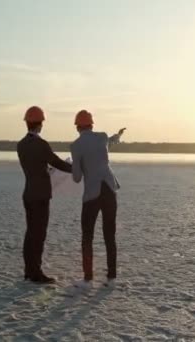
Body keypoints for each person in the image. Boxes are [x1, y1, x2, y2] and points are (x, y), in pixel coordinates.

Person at [70, 109, 126, 289]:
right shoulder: (101, 137)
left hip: (92, 194)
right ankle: (112, 276)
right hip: (109, 189)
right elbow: (109, 142)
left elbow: (77, 177)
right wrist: (118, 135)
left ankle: (88, 278)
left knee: (87, 236)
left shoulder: (76, 145)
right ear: (91, 125)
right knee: (110, 234)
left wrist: (73, 166)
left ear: (77, 126)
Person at [17, 106, 72, 284]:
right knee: (39, 234)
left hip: (28, 193)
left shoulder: (21, 145)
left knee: (30, 233)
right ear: (40, 124)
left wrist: (45, 170)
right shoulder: (41, 145)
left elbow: (35, 167)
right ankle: (36, 273)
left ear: (27, 123)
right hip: (41, 196)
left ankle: (29, 270)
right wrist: (77, 168)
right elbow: (57, 163)